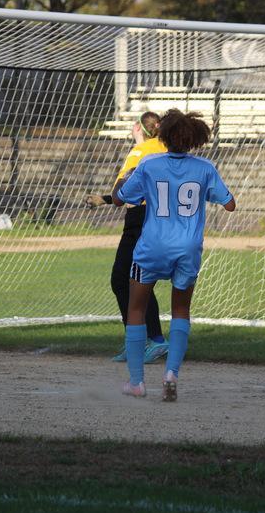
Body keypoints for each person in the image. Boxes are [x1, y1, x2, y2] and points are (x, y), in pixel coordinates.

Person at [113, 109, 236, 401]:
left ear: (164, 137)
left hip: (152, 246)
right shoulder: (205, 168)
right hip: (187, 248)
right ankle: (171, 374)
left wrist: (123, 180)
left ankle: (137, 382)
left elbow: (120, 198)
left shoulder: (149, 164)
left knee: (136, 309)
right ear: (194, 138)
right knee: (181, 310)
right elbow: (230, 204)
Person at [85, 112, 169, 364]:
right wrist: (104, 200)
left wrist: (110, 197)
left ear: (138, 128)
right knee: (138, 280)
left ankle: (148, 341)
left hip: (140, 220)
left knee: (122, 280)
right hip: (163, 221)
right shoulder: (167, 150)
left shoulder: (140, 151)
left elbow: (122, 191)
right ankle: (147, 341)